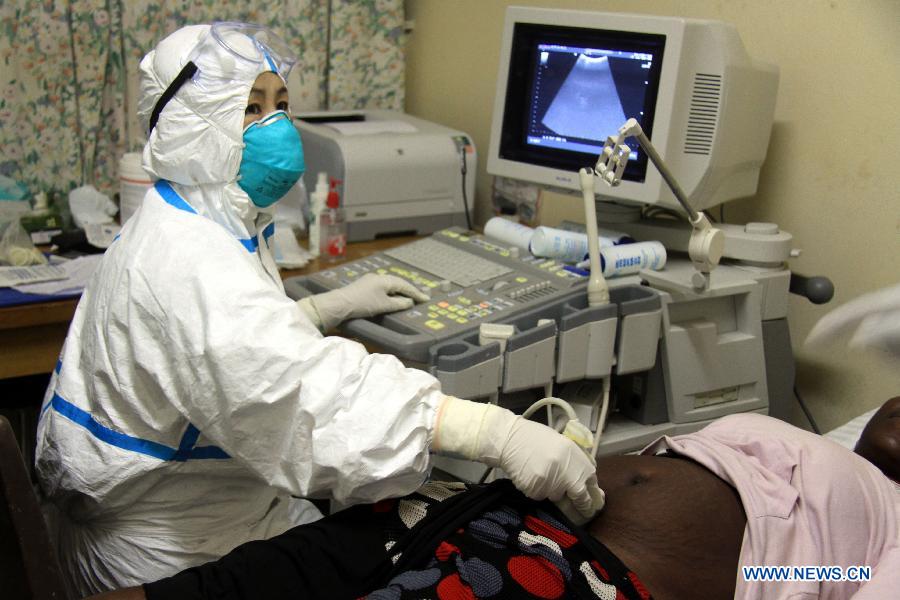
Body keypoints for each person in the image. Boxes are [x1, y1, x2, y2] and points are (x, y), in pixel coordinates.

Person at [34, 23, 603, 596]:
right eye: (252, 109)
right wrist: (491, 430)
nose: (278, 126)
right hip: (174, 547)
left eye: (281, 103)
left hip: (212, 503)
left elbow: (223, 350)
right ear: (194, 124)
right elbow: (296, 392)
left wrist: (322, 309)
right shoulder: (185, 256)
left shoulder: (197, 211)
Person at [90, 407, 900, 600]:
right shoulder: (804, 433)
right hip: (462, 514)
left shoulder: (890, 523)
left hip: (573, 570)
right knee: (254, 579)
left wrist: (803, 569)